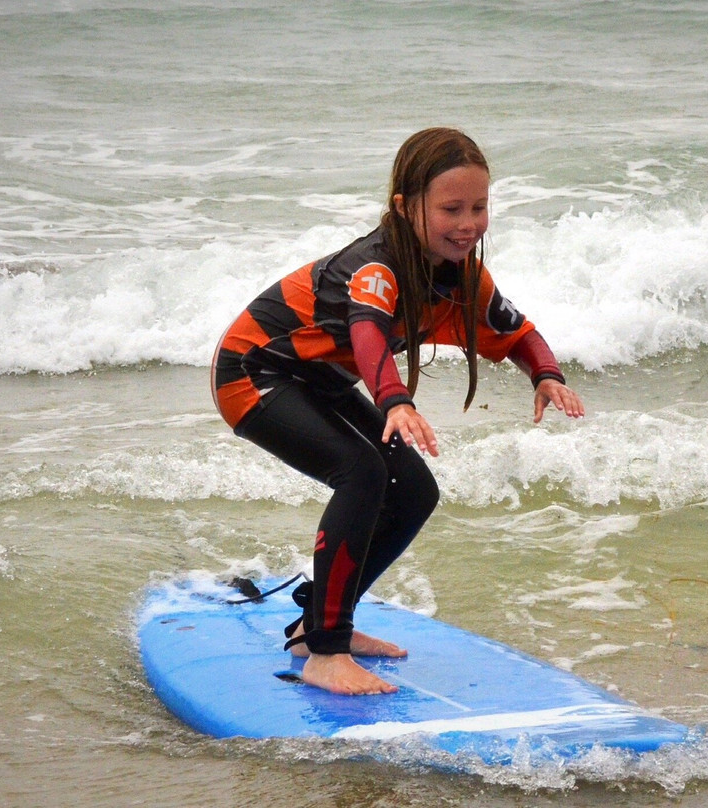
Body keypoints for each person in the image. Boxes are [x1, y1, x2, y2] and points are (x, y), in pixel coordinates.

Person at [211, 127, 584, 696]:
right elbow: (368, 336)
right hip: (256, 372)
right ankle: (326, 652)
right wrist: (396, 400)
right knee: (360, 473)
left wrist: (546, 373)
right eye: (451, 208)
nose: (468, 223)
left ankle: (317, 627)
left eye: (479, 207)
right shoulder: (377, 270)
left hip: (319, 381)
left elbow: (515, 330)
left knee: (413, 490)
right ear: (406, 208)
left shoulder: (459, 275)